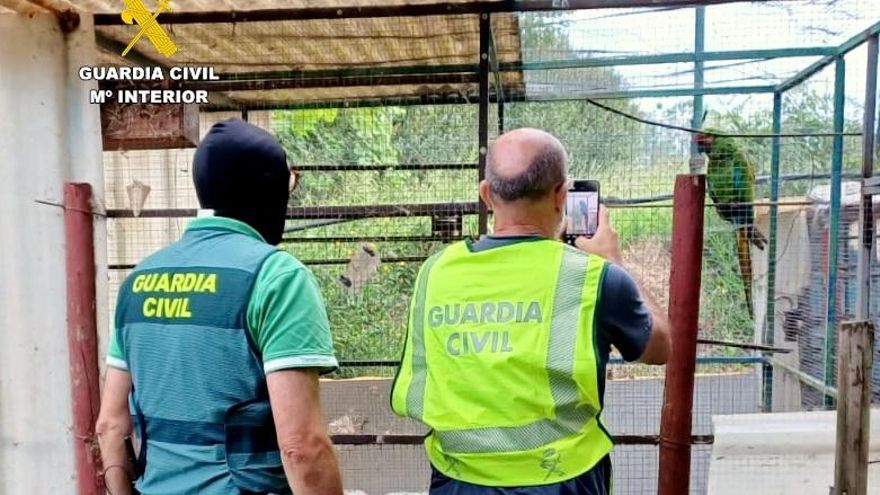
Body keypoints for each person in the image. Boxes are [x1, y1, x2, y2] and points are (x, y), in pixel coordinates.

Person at [391, 128, 671, 495]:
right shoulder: (593, 278)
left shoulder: (435, 272)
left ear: (487, 195)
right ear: (561, 196)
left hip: (458, 481)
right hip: (562, 481)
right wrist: (613, 261)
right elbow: (662, 347)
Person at [96, 119, 343, 495]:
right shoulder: (276, 276)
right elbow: (302, 447)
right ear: (269, 188)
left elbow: (110, 427)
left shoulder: (138, 281)